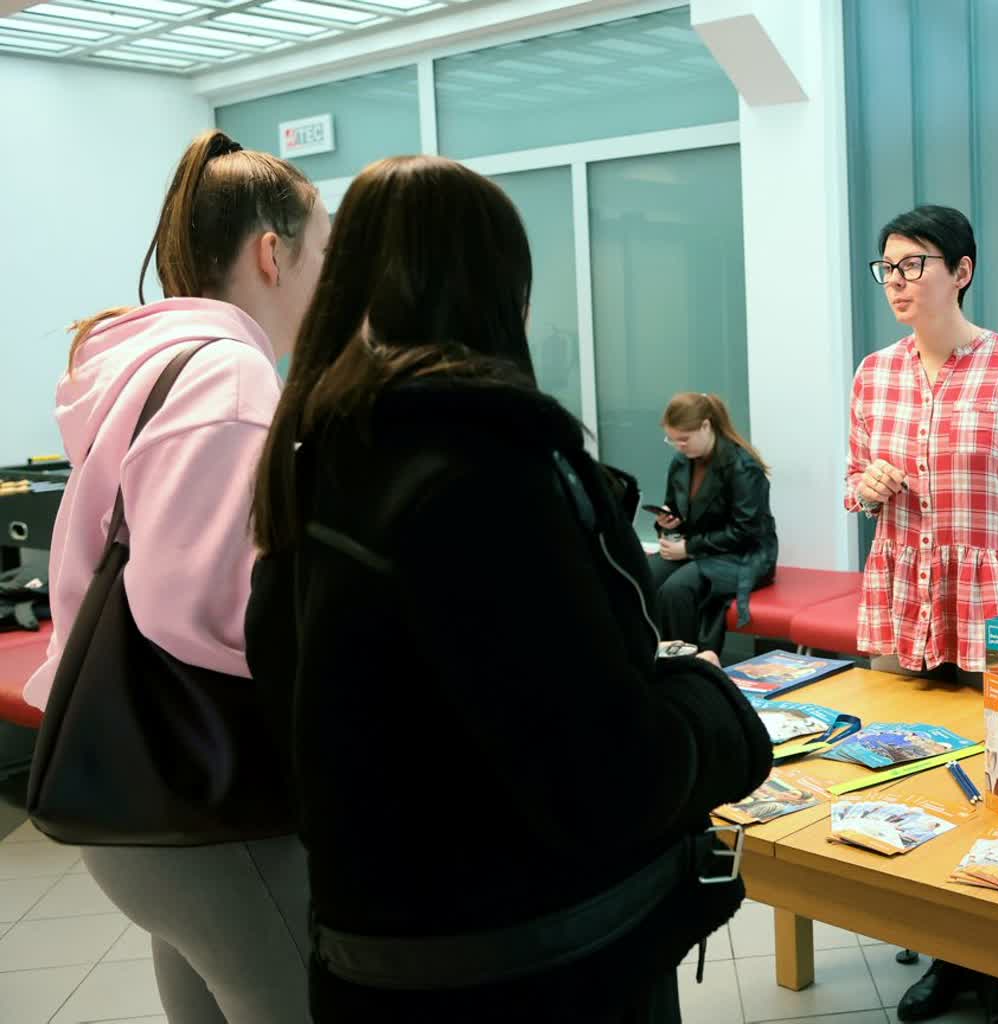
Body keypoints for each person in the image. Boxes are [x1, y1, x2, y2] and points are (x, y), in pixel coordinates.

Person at [244, 155, 771, 1023]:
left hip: (379, 949)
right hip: (539, 961)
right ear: (505, 293)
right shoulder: (490, 472)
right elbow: (604, 776)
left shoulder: (319, 454)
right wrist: (714, 707)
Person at [20, 130, 328, 1023]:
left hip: (145, 787)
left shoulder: (146, 362)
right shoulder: (228, 378)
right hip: (214, 795)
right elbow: (207, 611)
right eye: (325, 251)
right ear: (272, 254)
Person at [846, 205, 998, 1024]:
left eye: (914, 265)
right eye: (887, 268)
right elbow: (853, 480)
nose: (897, 282)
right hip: (904, 604)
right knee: (914, 782)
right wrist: (865, 486)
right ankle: (947, 954)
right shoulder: (873, 374)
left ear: (962, 271)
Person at [648, 392, 778, 653]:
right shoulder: (681, 462)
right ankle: (648, 656)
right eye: (672, 440)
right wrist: (669, 522)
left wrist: (689, 548)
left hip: (743, 555)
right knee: (644, 575)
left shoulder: (743, 466)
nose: (679, 446)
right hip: (700, 548)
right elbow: (677, 509)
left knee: (677, 590)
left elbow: (746, 531)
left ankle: (685, 665)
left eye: (684, 439)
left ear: (706, 426)